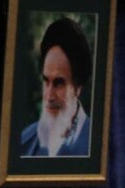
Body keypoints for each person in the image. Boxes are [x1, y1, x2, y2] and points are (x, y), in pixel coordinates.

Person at [19, 17, 93, 158]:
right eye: (46, 81)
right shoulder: (24, 142)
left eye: (59, 83)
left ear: (77, 87)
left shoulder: (97, 144)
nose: (49, 96)